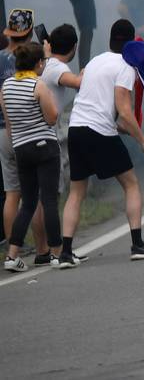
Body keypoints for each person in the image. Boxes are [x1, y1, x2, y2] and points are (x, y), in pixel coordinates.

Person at [61, 19, 144, 266]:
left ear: (110, 40)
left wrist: (124, 129)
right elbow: (124, 111)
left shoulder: (95, 61)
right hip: (99, 132)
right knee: (131, 184)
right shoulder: (125, 66)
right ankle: (137, 243)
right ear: (131, 43)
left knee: (76, 192)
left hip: (76, 129)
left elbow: (102, 107)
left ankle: (66, 252)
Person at [1, 43, 67, 271]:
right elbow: (52, 117)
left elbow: (9, 125)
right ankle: (58, 254)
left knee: (27, 203)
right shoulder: (37, 85)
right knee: (48, 200)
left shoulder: (6, 86)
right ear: (38, 63)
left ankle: (11, 255)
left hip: (21, 149)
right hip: (44, 148)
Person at [41, 25, 81, 197]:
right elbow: (78, 83)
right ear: (74, 48)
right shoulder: (58, 67)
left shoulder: (44, 62)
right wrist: (89, 69)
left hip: (35, 133)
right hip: (48, 135)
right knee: (51, 195)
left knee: (37, 196)